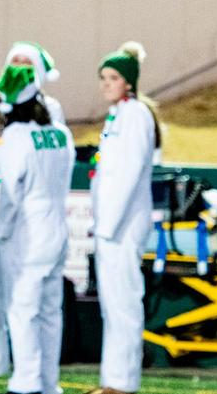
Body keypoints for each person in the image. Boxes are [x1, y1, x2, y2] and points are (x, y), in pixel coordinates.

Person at [0, 42, 64, 394]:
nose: (19, 68)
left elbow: (41, 158)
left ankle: (31, 377)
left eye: (26, 63)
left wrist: (8, 154)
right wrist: (9, 157)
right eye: (14, 62)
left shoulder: (49, 110)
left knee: (28, 300)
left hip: (26, 213)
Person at [0, 58, 73, 394]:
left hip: (29, 230)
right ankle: (48, 382)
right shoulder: (61, 133)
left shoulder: (15, 135)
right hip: (58, 227)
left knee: (23, 308)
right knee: (50, 311)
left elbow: (11, 191)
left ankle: (25, 382)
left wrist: (3, 229)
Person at [86, 42, 161, 394]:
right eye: (103, 77)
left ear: (128, 82)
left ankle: (123, 383)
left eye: (113, 77)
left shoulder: (136, 115)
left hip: (123, 226)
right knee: (111, 306)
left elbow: (129, 174)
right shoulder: (117, 116)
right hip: (108, 226)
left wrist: (108, 225)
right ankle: (112, 381)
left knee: (124, 305)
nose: (106, 84)